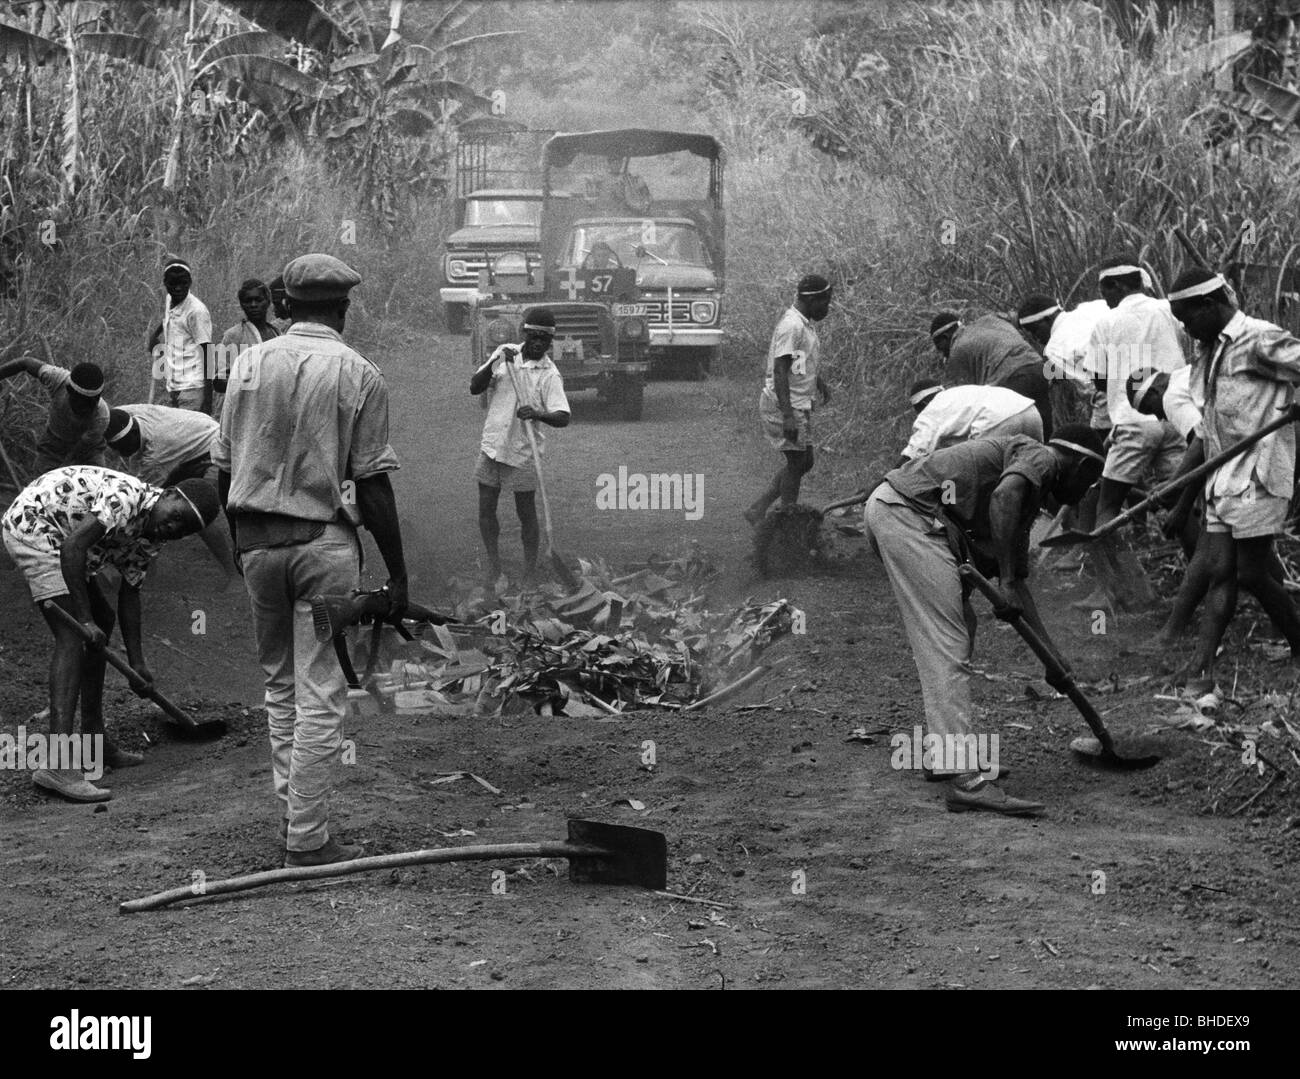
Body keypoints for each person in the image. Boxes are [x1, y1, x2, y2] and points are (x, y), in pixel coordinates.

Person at [214, 253, 408, 868]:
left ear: (287, 306)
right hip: (324, 550)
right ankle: (306, 835)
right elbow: (373, 484)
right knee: (320, 686)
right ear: (344, 310)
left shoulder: (246, 363)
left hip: (258, 545)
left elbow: (222, 468)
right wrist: (398, 574)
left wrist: (241, 541)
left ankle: (294, 817)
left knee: (278, 682)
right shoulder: (360, 373)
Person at [861, 426, 1105, 816]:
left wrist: (1052, 659)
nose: (1087, 492)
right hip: (909, 514)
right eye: (1091, 480)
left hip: (908, 516)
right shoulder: (1040, 457)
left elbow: (1018, 588)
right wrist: (1004, 580)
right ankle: (966, 780)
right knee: (947, 643)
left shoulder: (1027, 501)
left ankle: (943, 754)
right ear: (1078, 463)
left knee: (962, 631)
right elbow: (1003, 496)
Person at [1, 466, 219, 802]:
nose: (173, 528)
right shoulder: (125, 499)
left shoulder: (152, 538)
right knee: (73, 634)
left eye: (184, 530)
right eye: (176, 516)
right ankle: (57, 764)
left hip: (69, 542)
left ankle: (95, 740)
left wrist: (138, 665)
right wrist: (84, 619)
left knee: (104, 616)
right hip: (37, 527)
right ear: (170, 494)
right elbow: (73, 547)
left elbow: (130, 593)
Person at [1164, 267, 1300, 692]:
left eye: (1188, 317)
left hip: (1258, 471)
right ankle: (1202, 667)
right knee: (1222, 571)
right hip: (1223, 476)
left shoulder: (1261, 338)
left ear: (1210, 304)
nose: (1185, 328)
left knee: (1251, 575)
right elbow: (1207, 427)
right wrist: (1180, 489)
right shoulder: (1206, 351)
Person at [470, 307, 571, 590]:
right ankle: (494, 564)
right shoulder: (505, 354)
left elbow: (563, 417)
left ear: (551, 342)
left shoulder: (549, 374)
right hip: (492, 445)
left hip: (523, 451)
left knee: (525, 512)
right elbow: (475, 387)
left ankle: (529, 571)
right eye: (534, 336)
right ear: (524, 334)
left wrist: (537, 413)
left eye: (545, 339)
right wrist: (496, 362)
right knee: (486, 509)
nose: (538, 343)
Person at [105, 404, 234, 576]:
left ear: (135, 433)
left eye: (123, 448)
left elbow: (141, 501)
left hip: (212, 446)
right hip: (192, 436)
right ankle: (147, 570)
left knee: (196, 513)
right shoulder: (127, 413)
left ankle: (232, 571)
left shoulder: (156, 456)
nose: (120, 454)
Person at [745, 274, 833, 524]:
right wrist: (787, 416)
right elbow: (780, 369)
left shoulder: (804, 324)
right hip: (786, 404)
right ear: (812, 299)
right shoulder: (792, 326)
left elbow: (798, 361)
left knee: (804, 461)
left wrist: (818, 382)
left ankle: (760, 508)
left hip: (798, 402)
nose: (826, 308)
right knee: (797, 463)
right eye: (824, 302)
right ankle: (786, 522)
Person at [930, 307, 1053, 440]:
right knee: (1044, 429)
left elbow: (965, 400)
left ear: (945, 337)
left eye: (939, 346)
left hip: (1012, 380)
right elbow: (1019, 317)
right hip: (1038, 369)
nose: (942, 353)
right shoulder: (991, 319)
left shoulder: (957, 352)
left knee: (1014, 440)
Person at [0, 357, 109, 475]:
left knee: (96, 483)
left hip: (89, 450)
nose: (87, 409)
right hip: (53, 444)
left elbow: (80, 448)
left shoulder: (101, 417)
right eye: (83, 403)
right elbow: (25, 363)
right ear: (69, 391)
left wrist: (65, 469)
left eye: (93, 403)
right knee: (43, 482)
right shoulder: (58, 379)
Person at [902, 378, 1042, 460]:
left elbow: (914, 454)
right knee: (1037, 467)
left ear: (923, 404)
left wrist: (885, 482)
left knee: (979, 477)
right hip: (1029, 410)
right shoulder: (960, 394)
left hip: (996, 421)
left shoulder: (931, 409)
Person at [152, 257, 215, 413]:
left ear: (190, 282)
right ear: (165, 283)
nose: (178, 288)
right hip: (174, 384)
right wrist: (154, 335)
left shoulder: (196, 311)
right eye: (173, 283)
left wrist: (208, 400)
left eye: (183, 283)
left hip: (193, 387)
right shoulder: (170, 298)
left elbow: (208, 353)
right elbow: (169, 316)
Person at [215, 279, 280, 422]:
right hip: (244, 413)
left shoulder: (276, 333)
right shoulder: (233, 336)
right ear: (241, 304)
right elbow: (219, 381)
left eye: (258, 300)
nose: (253, 305)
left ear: (268, 301)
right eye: (248, 301)